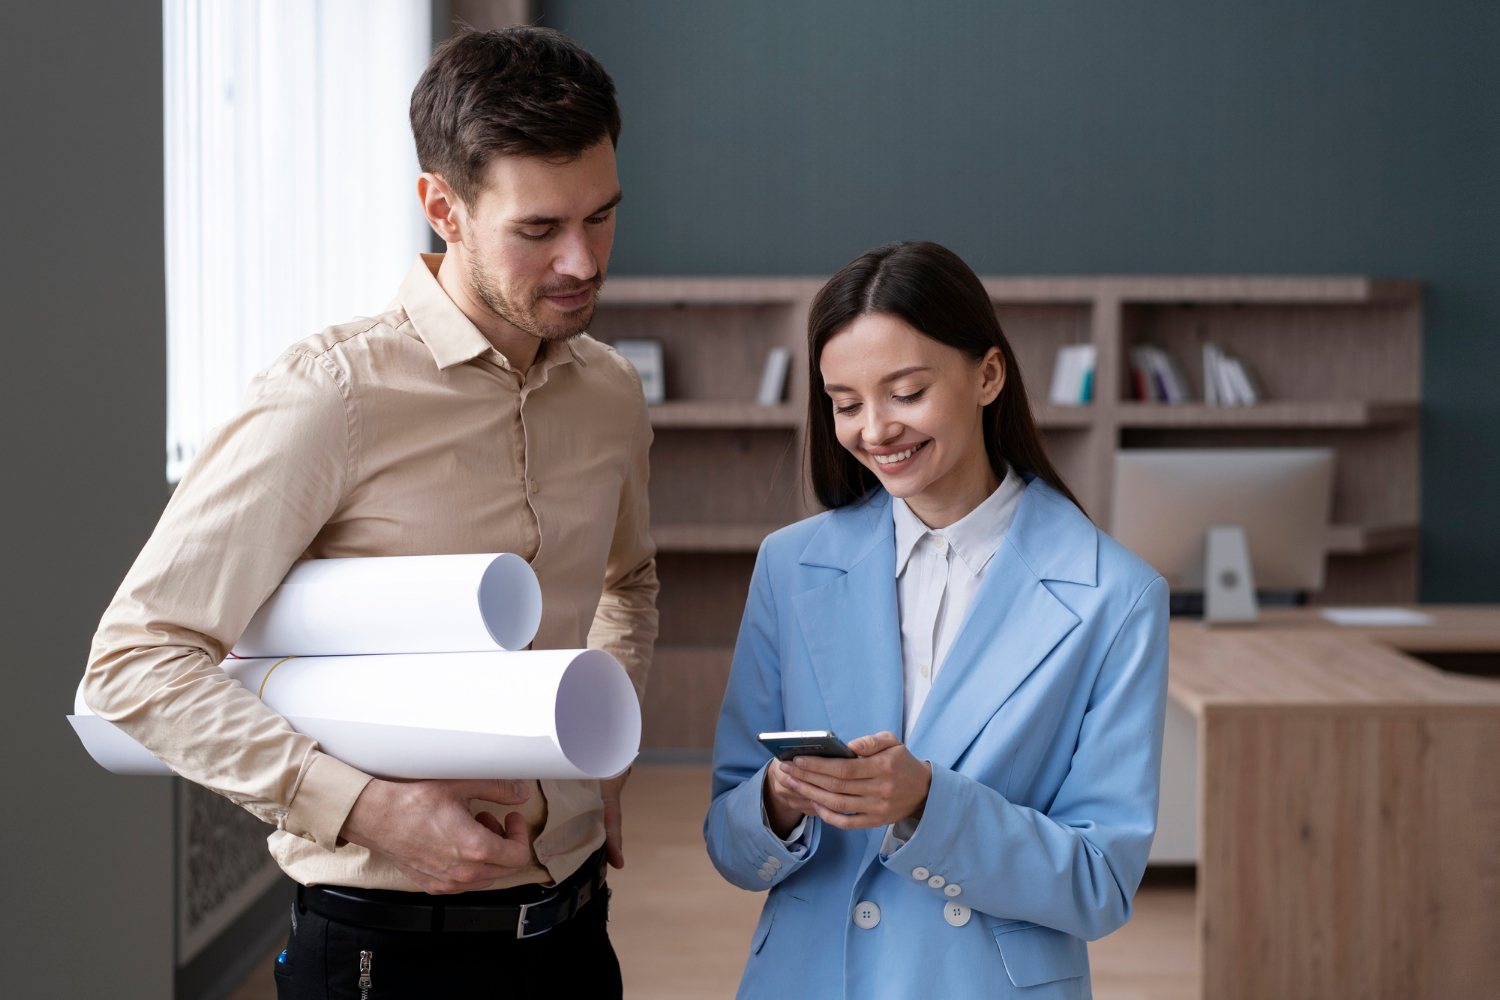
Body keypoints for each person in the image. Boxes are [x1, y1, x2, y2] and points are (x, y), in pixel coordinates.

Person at [84, 27, 655, 997]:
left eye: (601, 217)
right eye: (538, 229)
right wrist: (367, 810)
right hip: (386, 950)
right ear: (443, 206)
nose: (582, 260)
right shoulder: (329, 396)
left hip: (574, 927)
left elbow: (626, 581)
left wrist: (600, 742)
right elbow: (134, 663)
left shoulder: (608, 390)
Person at [704, 242, 1169, 999]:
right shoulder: (790, 567)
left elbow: (1100, 883)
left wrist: (927, 803)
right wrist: (779, 800)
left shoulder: (1114, 595)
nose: (875, 429)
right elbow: (728, 841)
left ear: (988, 375)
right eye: (846, 403)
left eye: (907, 392)